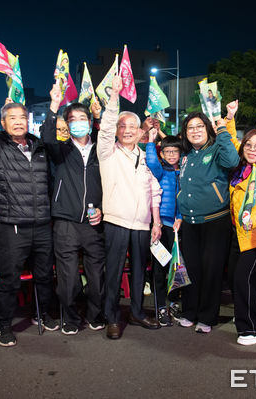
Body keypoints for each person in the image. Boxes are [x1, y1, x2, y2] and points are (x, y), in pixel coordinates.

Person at [0, 80, 59, 347]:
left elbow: (52, 134)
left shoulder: (40, 147)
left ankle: (43, 315)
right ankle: (4, 325)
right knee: (9, 279)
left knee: (44, 275)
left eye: (22, 117)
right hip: (11, 227)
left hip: (43, 225)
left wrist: (54, 104)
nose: (19, 122)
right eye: (12, 118)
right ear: (4, 123)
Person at [98, 75, 162, 339]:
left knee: (139, 272)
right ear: (116, 130)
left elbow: (154, 190)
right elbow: (105, 126)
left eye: (132, 127)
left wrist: (156, 222)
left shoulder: (146, 155)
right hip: (116, 222)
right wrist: (114, 97)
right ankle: (111, 317)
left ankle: (136, 312)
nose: (126, 130)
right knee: (113, 273)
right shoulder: (107, 152)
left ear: (140, 132)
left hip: (142, 224)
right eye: (122, 126)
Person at [42, 84, 106, 335]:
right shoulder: (61, 150)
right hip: (65, 222)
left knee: (96, 276)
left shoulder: (101, 150)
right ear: (67, 125)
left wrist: (101, 208)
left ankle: (95, 314)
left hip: (94, 221)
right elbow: (47, 136)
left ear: (90, 123)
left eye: (82, 118)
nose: (78, 123)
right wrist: (53, 105)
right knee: (67, 278)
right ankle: (70, 318)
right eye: (72, 120)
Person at [176, 107, 240, 333]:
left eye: (199, 126)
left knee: (211, 270)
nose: (194, 131)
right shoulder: (186, 156)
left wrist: (222, 129)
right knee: (191, 270)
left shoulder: (216, 149)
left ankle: (207, 317)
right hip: (190, 223)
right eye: (190, 127)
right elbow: (182, 187)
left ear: (208, 129)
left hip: (215, 221)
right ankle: (189, 311)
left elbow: (233, 160)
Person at [228, 127, 256, 345]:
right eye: (248, 145)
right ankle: (247, 316)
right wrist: (229, 118)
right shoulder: (241, 168)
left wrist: (253, 219)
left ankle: (254, 329)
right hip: (237, 234)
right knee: (240, 281)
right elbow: (230, 140)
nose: (252, 149)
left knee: (243, 281)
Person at [145, 130, 182, 327]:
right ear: (162, 154)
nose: (171, 155)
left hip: (178, 228)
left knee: (177, 269)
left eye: (175, 151)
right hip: (161, 228)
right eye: (167, 151)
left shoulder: (184, 171)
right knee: (160, 268)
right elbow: (150, 162)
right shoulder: (159, 170)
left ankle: (174, 303)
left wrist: (181, 218)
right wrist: (151, 141)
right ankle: (160, 307)